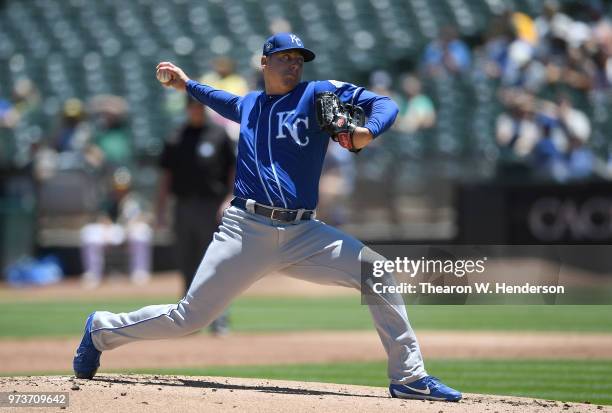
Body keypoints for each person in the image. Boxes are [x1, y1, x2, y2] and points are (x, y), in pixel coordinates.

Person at [73, 33, 462, 402]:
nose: (294, 65)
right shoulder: (251, 106)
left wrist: (366, 131)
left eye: (298, 59)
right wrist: (187, 84)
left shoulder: (318, 93)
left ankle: (409, 378)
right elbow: (220, 98)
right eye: (285, 59)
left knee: (376, 272)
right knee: (188, 318)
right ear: (264, 63)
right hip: (247, 230)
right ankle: (100, 330)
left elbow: (385, 104)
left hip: (304, 231)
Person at [157, 96, 236, 335]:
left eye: (200, 106)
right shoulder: (176, 136)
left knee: (212, 264)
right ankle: (188, 321)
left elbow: (233, 169)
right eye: (192, 106)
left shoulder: (218, 135)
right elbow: (166, 177)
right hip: (182, 206)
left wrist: (229, 198)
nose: (196, 110)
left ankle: (219, 318)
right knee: (186, 261)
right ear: (187, 109)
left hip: (210, 206)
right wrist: (159, 210)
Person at [80, 167, 153, 288]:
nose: (121, 191)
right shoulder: (108, 198)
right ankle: (92, 275)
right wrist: (105, 226)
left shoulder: (136, 199)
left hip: (131, 230)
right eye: (118, 187)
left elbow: (150, 216)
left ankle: (140, 272)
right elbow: (102, 216)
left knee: (142, 231)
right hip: (114, 230)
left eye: (123, 187)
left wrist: (138, 219)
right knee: (88, 233)